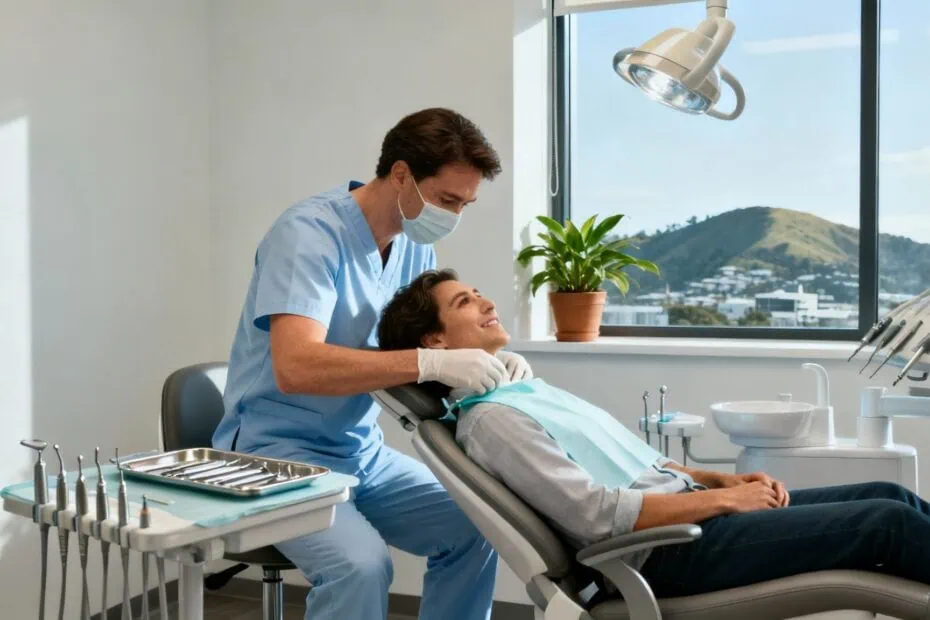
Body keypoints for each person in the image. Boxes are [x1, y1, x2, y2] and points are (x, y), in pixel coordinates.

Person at [377, 268, 930, 598]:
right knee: (886, 524)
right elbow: (595, 516)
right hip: (667, 553)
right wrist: (724, 501)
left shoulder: (520, 392)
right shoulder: (493, 422)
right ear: (436, 342)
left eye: (477, 292)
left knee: (888, 494)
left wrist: (709, 477)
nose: (486, 302)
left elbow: (631, 464)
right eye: (464, 302)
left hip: (685, 517)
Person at [212, 109, 534, 620]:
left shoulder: (413, 247)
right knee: (360, 567)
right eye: (449, 200)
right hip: (275, 454)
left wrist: (490, 361)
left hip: (360, 450)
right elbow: (296, 366)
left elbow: (422, 355)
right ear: (402, 174)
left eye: (466, 204)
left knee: (479, 526)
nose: (454, 215)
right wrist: (430, 361)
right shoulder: (308, 235)